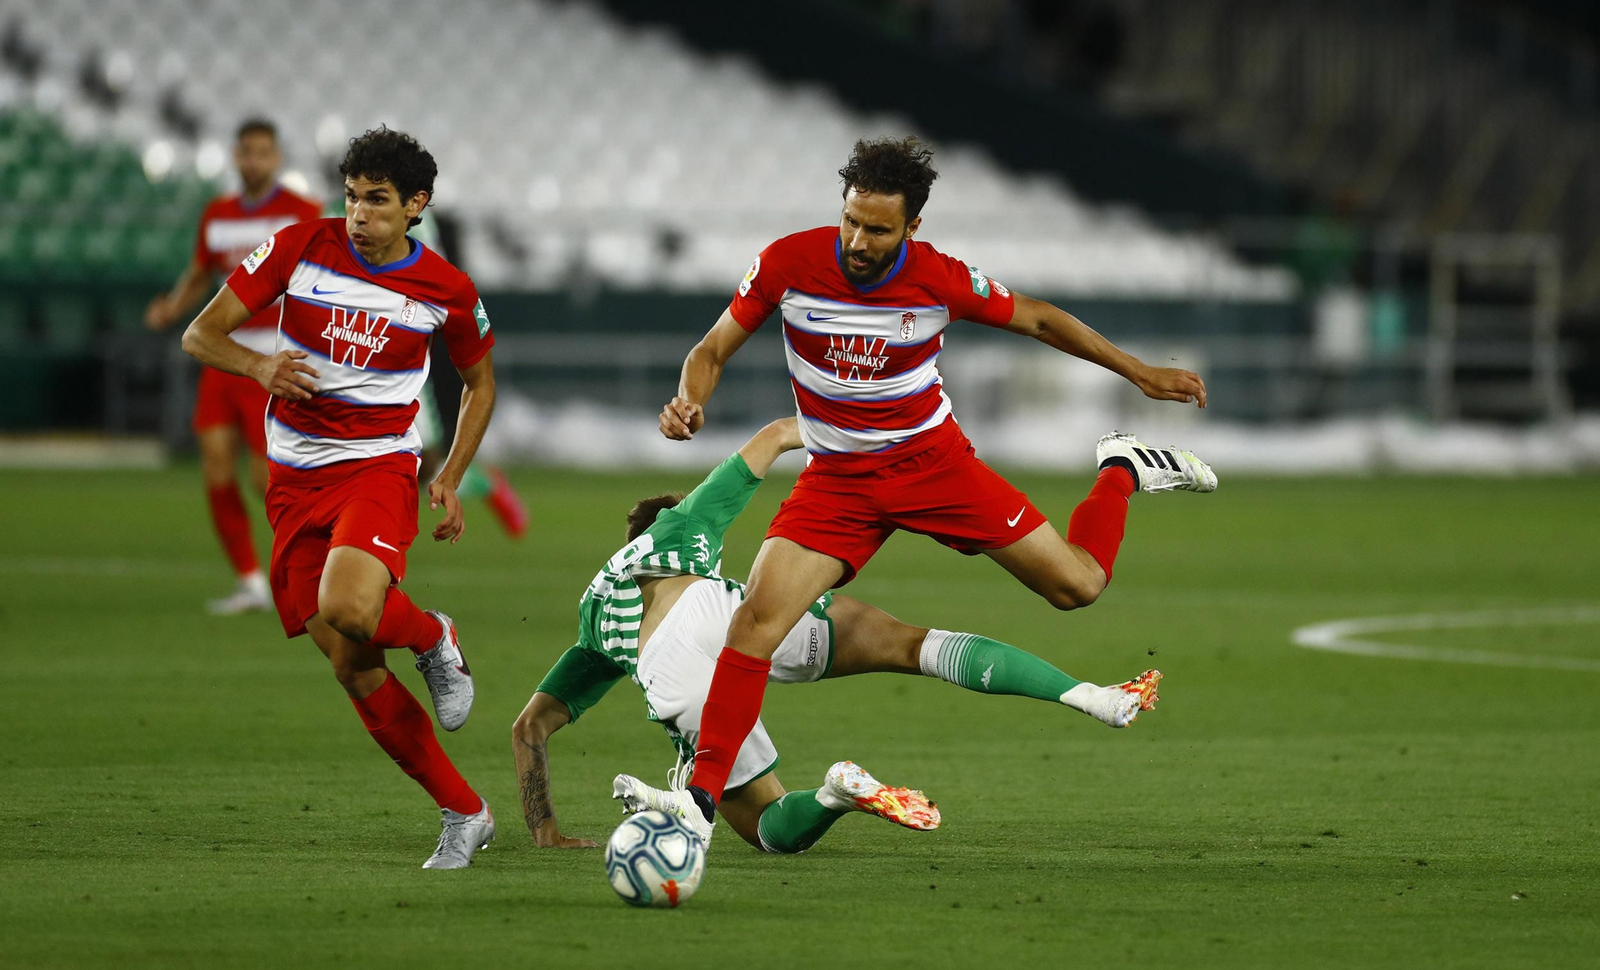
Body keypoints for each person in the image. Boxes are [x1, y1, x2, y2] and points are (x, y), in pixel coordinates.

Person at [655, 136, 1213, 831]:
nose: (858, 240)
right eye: (851, 220)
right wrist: (690, 397)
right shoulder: (785, 264)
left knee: (1079, 587)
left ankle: (1121, 469)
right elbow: (711, 348)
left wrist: (1139, 372)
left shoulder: (939, 278)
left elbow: (1038, 316)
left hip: (933, 467)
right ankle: (699, 803)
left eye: (878, 229)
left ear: (912, 227)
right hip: (837, 481)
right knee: (754, 625)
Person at [511, 419, 1160, 848]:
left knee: (770, 829)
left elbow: (529, 727)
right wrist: (835, 428)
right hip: (725, 610)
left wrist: (544, 828)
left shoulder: (595, 615)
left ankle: (829, 793)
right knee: (915, 645)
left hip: (667, 670)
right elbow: (770, 438)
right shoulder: (679, 529)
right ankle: (1084, 694)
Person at [180, 126, 498, 868]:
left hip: (377, 468)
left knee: (350, 606)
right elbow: (201, 334)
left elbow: (481, 383)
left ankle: (432, 637)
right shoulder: (299, 246)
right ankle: (464, 811)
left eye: (378, 201)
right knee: (353, 665)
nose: (359, 215)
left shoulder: (447, 288)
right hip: (292, 481)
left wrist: (447, 474)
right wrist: (258, 365)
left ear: (417, 204)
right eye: (352, 197)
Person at [145, 118, 321, 614]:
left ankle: (309, 574)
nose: (254, 161)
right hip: (223, 358)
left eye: (263, 152)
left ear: (278, 157)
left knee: (268, 480)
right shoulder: (216, 213)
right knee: (217, 469)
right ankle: (250, 581)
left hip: (276, 360)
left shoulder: (302, 213)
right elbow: (202, 272)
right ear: (235, 156)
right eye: (246, 152)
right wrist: (175, 307)